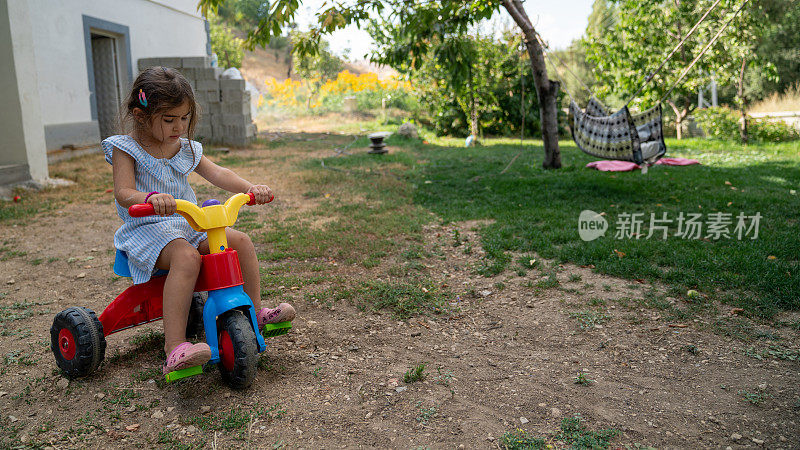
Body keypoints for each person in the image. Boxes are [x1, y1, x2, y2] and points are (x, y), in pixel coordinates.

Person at [102, 66, 295, 375]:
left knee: (240, 241)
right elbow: (123, 192)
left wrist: (249, 188)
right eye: (169, 120)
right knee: (188, 258)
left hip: (185, 224)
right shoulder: (127, 149)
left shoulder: (186, 148)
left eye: (184, 118)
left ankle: (255, 313)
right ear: (140, 115)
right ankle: (174, 348)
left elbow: (218, 172)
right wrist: (149, 198)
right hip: (147, 229)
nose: (179, 126)